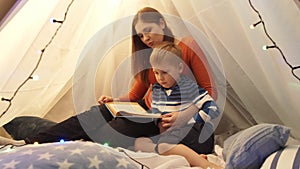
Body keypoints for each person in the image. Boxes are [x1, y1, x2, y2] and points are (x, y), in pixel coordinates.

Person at [1, 7, 217, 150]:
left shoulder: (186, 46)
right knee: (96, 114)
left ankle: (72, 149)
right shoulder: (148, 57)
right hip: (146, 110)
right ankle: (27, 143)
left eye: (148, 30)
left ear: (162, 23)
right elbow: (134, 96)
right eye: (140, 35)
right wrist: (113, 100)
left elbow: (210, 92)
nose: (146, 38)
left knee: (114, 129)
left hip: (167, 114)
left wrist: (182, 115)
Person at [134, 41, 222, 168]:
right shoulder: (158, 91)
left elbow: (213, 109)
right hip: (173, 135)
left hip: (197, 132)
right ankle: (188, 155)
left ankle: (206, 164)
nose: (160, 78)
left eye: (165, 72)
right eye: (156, 72)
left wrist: (190, 120)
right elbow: (157, 113)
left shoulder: (189, 87)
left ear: (179, 68)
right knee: (139, 142)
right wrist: (159, 123)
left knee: (165, 144)